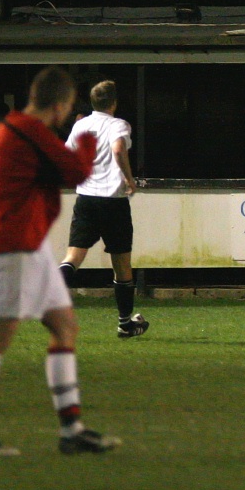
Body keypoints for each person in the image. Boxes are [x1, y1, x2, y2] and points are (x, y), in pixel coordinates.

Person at [0, 66, 121, 456]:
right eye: (69, 109)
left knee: (65, 326)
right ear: (61, 104)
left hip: (28, 246)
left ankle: (71, 430)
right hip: (14, 247)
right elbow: (77, 170)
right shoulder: (32, 131)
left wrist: (13, 190)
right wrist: (84, 136)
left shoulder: (7, 128)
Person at [58, 80, 149, 340]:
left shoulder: (80, 125)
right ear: (114, 102)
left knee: (73, 257)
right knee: (121, 265)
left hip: (86, 198)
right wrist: (129, 179)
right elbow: (119, 148)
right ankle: (125, 324)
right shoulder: (118, 125)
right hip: (113, 200)